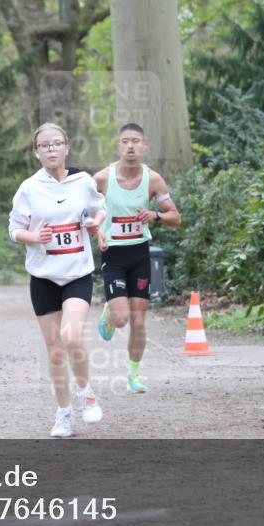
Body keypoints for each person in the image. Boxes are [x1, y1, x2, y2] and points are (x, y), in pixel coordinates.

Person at [9, 123, 107, 437]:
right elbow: (14, 230)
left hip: (77, 273)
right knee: (54, 350)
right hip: (43, 277)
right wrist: (34, 236)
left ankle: (87, 393)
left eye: (57, 144)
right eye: (45, 145)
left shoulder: (83, 181)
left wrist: (95, 223)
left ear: (66, 147)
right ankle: (64, 413)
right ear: (36, 152)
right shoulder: (28, 188)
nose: (51, 149)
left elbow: (99, 208)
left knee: (73, 336)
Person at [93, 123, 181, 393]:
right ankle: (110, 314)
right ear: (118, 146)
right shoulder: (101, 179)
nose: (130, 146)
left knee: (139, 321)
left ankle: (133, 375)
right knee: (122, 320)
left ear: (144, 146)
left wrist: (154, 215)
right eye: (125, 141)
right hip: (114, 255)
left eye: (136, 141)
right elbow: (84, 212)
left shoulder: (153, 180)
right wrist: (97, 232)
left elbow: (175, 217)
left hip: (139, 253)